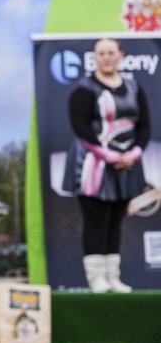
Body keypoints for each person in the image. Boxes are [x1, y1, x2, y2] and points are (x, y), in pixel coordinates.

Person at [64, 38, 151, 292]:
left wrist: (134, 153)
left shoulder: (134, 87)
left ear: (121, 55)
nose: (106, 57)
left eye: (111, 52)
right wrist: (109, 156)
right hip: (93, 165)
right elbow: (80, 126)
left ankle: (113, 276)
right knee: (96, 219)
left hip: (127, 164)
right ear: (95, 58)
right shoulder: (84, 89)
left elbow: (145, 125)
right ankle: (96, 277)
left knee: (116, 220)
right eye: (101, 53)